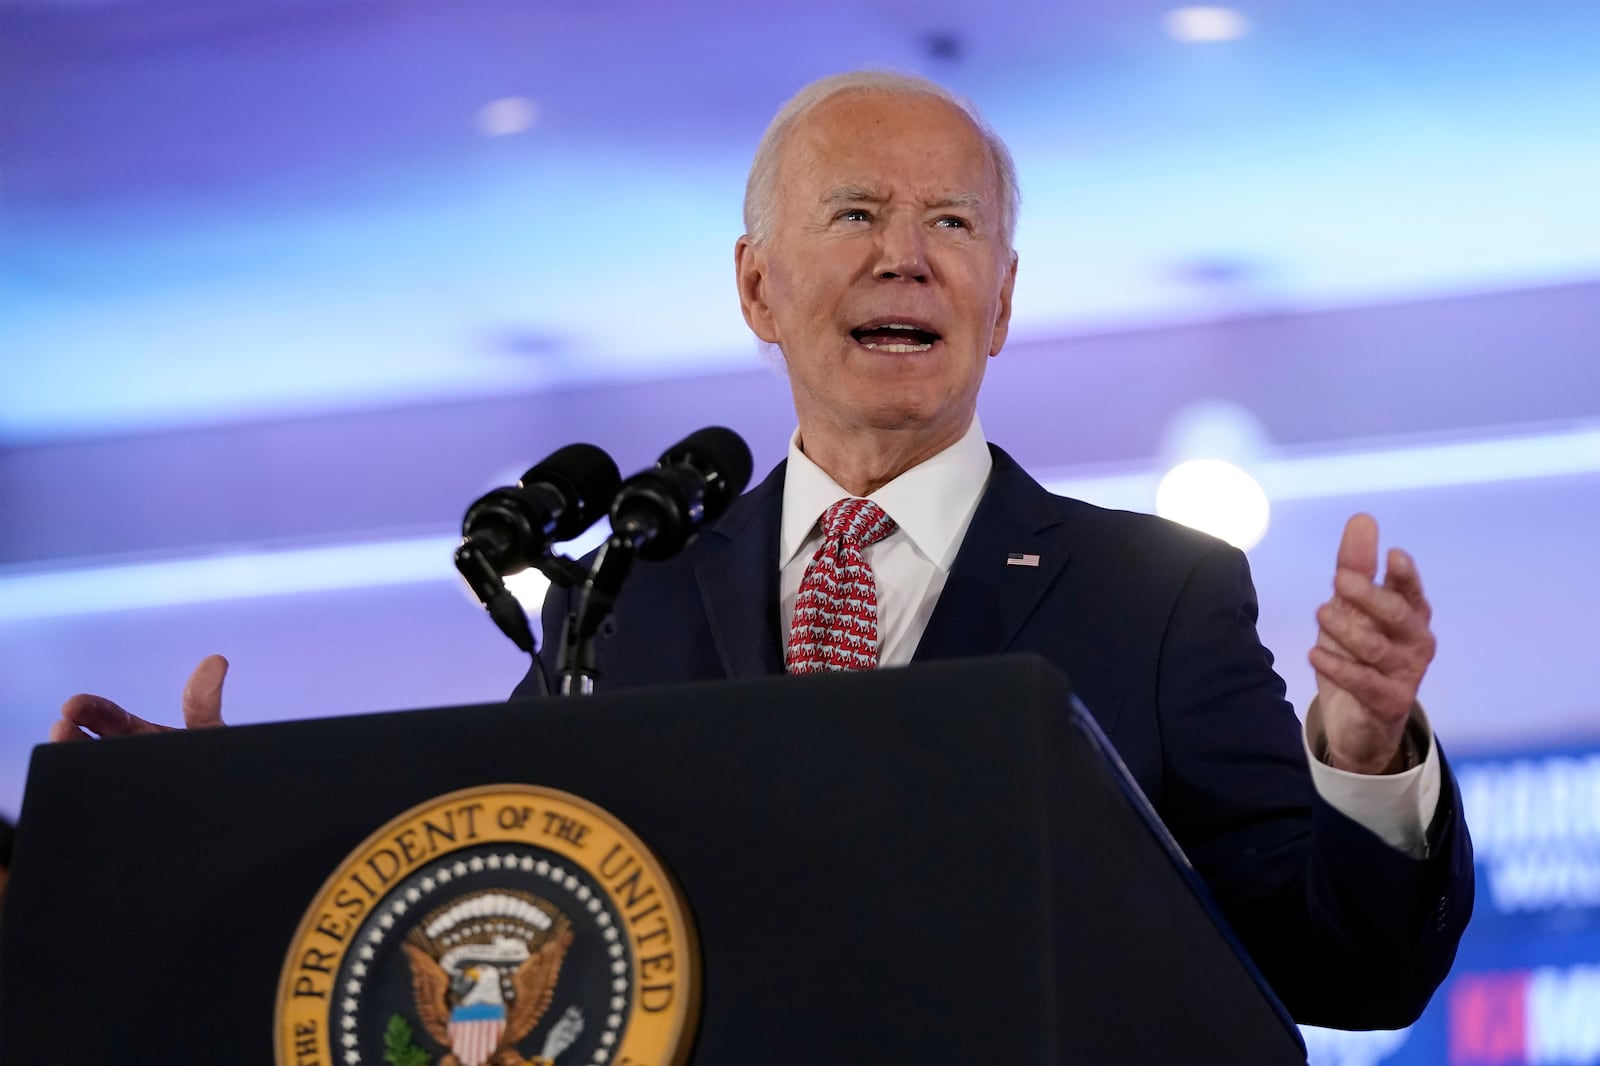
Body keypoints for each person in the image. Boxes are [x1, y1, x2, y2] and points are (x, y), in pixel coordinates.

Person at [51, 70, 1471, 1030]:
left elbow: (1342, 969)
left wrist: (1362, 749)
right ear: (757, 285)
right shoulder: (628, 591)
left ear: (1003, 299)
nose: (906, 257)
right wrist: (213, 820)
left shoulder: (1158, 593)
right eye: (855, 214)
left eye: (952, 225)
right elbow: (494, 887)